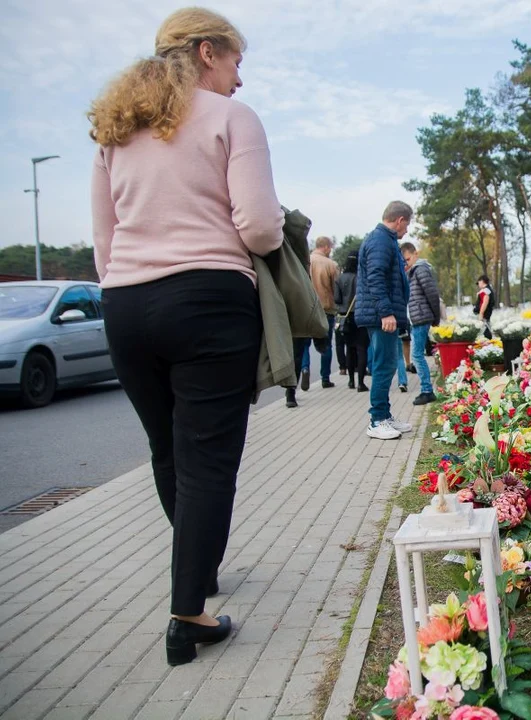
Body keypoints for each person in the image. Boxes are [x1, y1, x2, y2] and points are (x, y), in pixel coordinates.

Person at [89, 7, 279, 665]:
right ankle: (189, 616)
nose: (239, 79)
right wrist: (277, 233)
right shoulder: (232, 120)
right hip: (208, 301)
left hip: (125, 302)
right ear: (206, 52)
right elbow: (256, 227)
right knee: (207, 459)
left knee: (166, 448)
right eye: (234, 61)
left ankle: (196, 571)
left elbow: (104, 239)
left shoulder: (117, 129)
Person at [355, 202, 414, 440]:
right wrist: (386, 312)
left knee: (388, 364)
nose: (407, 230)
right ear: (399, 220)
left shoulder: (385, 240)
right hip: (381, 316)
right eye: (407, 224)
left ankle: (385, 416)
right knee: (383, 365)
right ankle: (377, 420)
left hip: (383, 314)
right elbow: (375, 278)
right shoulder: (380, 240)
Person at [400, 241, 440, 406]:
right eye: (403, 261)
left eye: (407, 259)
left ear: (415, 254)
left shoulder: (420, 269)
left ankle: (426, 390)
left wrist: (435, 317)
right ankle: (426, 389)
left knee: (416, 355)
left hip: (422, 317)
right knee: (417, 354)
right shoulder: (414, 271)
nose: (406, 264)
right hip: (418, 317)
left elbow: (432, 294)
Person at [334, 251, 369, 390]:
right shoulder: (361, 278)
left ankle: (351, 381)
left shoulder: (339, 279)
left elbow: (337, 299)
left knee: (350, 349)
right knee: (362, 349)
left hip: (345, 316)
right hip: (360, 315)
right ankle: (361, 382)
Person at [308, 236, 339, 388]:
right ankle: (325, 378)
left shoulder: (306, 261)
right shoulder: (330, 264)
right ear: (326, 247)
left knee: (304, 343)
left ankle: (304, 367)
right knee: (326, 345)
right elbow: (336, 288)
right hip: (326, 308)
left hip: (307, 309)